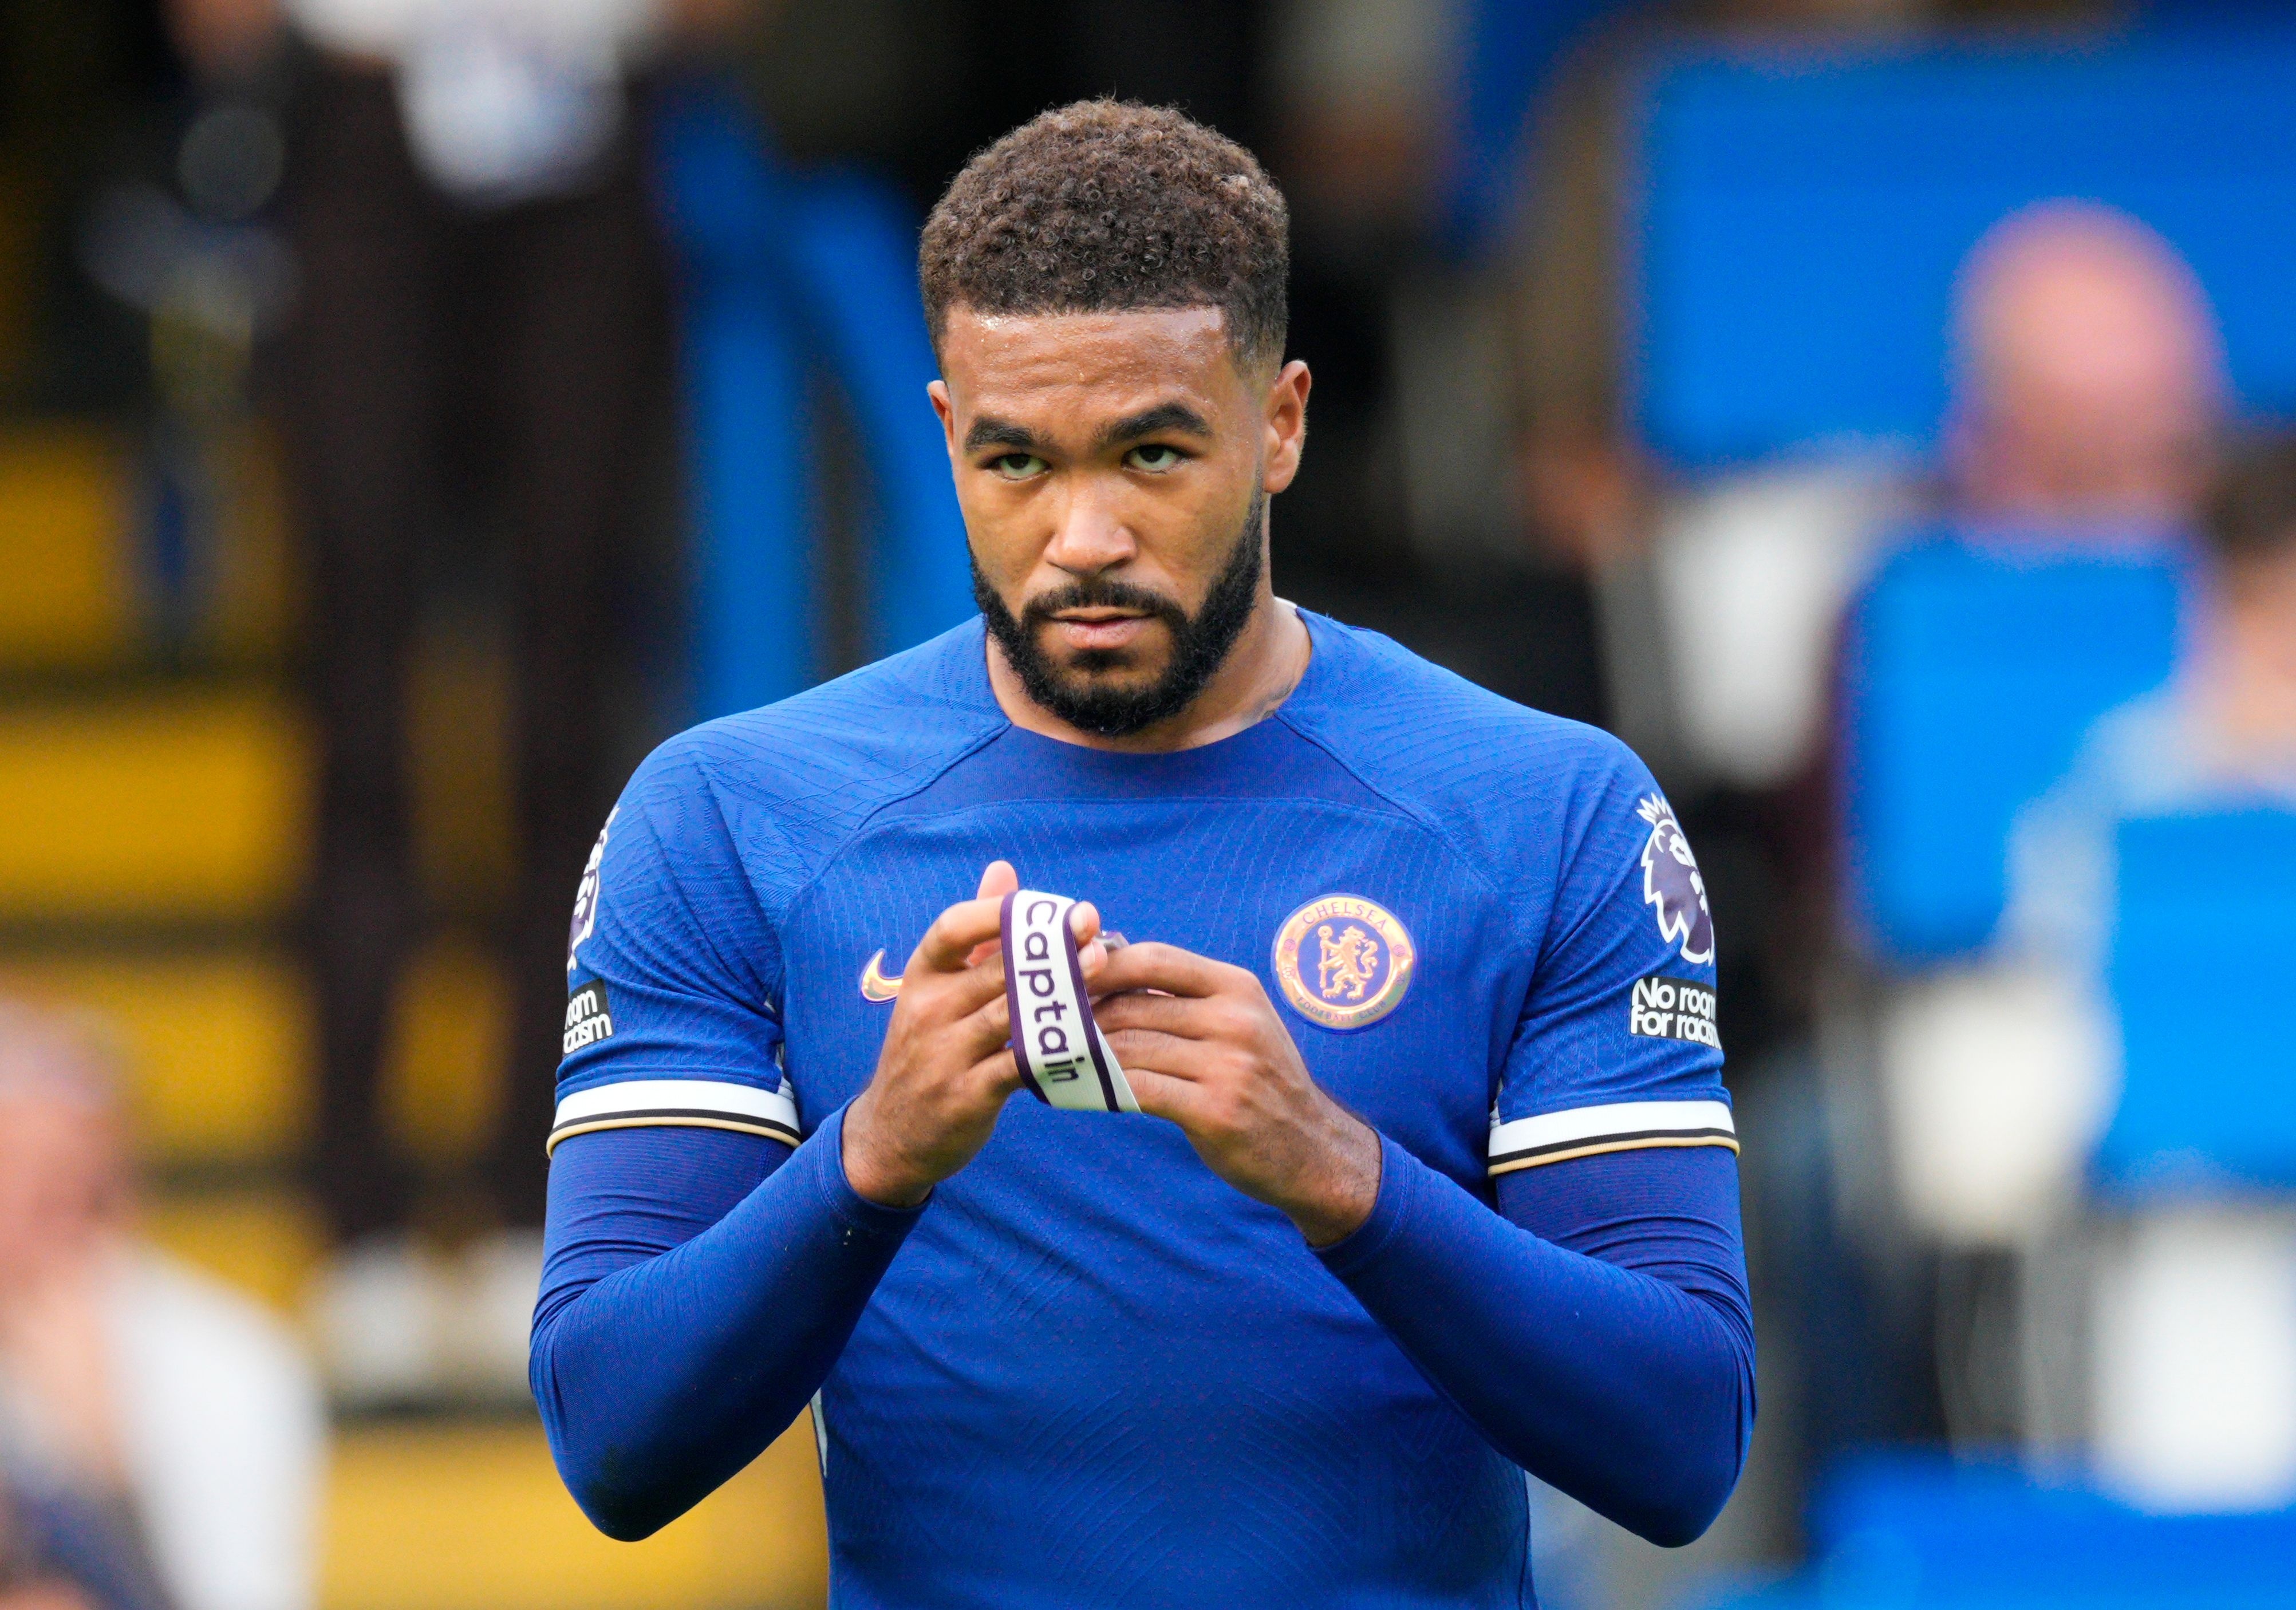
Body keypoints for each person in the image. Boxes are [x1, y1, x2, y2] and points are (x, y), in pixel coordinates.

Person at [532, 102, 1752, 1605]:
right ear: (945, 435)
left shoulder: (1545, 810)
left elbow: (1681, 1446)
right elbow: (614, 1439)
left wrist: (1340, 1175)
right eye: (1016, 463)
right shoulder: (732, 817)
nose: (1083, 535)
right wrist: (870, 1154)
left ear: (1281, 424)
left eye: (1152, 453)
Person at [0, 1005, 326, 1610]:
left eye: (70, 1179)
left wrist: (106, 1471)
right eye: (19, 1169)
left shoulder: (229, 1362)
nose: (49, 1207)